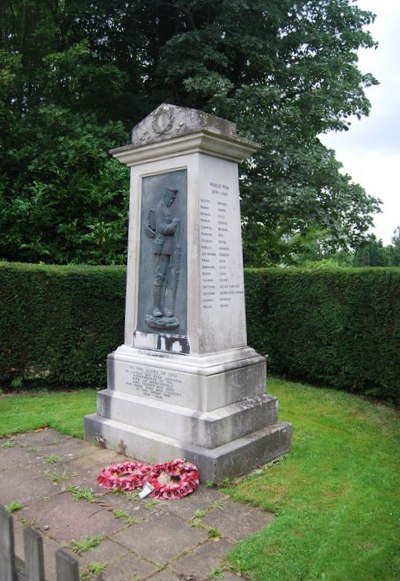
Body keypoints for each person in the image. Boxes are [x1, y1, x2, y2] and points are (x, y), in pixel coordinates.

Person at [150, 188, 180, 318]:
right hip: (161, 249)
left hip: (170, 249)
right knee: (159, 277)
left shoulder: (168, 209)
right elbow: (161, 228)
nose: (173, 200)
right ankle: (156, 307)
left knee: (169, 279)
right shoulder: (158, 209)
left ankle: (167, 308)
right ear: (166, 195)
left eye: (174, 198)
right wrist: (173, 225)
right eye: (171, 198)